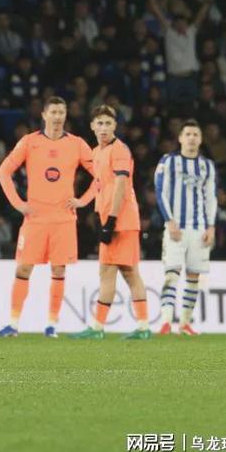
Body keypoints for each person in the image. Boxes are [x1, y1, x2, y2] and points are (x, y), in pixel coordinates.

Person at [0, 96, 96, 338]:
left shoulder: (77, 144)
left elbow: (101, 175)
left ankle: (51, 325)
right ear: (44, 115)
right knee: (23, 268)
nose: (58, 117)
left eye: (61, 112)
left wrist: (83, 200)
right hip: (35, 219)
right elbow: (3, 172)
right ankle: (13, 324)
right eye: (53, 112)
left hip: (63, 220)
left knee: (59, 271)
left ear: (66, 115)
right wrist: (18, 204)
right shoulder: (30, 142)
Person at [70, 104, 151, 340]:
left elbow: (120, 185)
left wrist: (112, 220)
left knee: (127, 272)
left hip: (122, 221)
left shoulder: (120, 150)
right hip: (109, 219)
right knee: (112, 272)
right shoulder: (96, 152)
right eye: (100, 123)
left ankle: (134, 327)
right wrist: (87, 206)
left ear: (115, 126)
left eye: (108, 123)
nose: (104, 128)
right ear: (92, 126)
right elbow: (99, 185)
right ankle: (106, 327)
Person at [154, 119, 217, 335]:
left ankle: (185, 323)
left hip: (199, 229)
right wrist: (169, 220)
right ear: (180, 138)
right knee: (171, 274)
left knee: (193, 276)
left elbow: (211, 197)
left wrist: (211, 226)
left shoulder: (207, 166)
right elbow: (160, 191)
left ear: (201, 139)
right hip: (176, 228)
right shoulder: (168, 161)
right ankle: (166, 322)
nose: (191, 138)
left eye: (195, 134)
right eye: (188, 134)